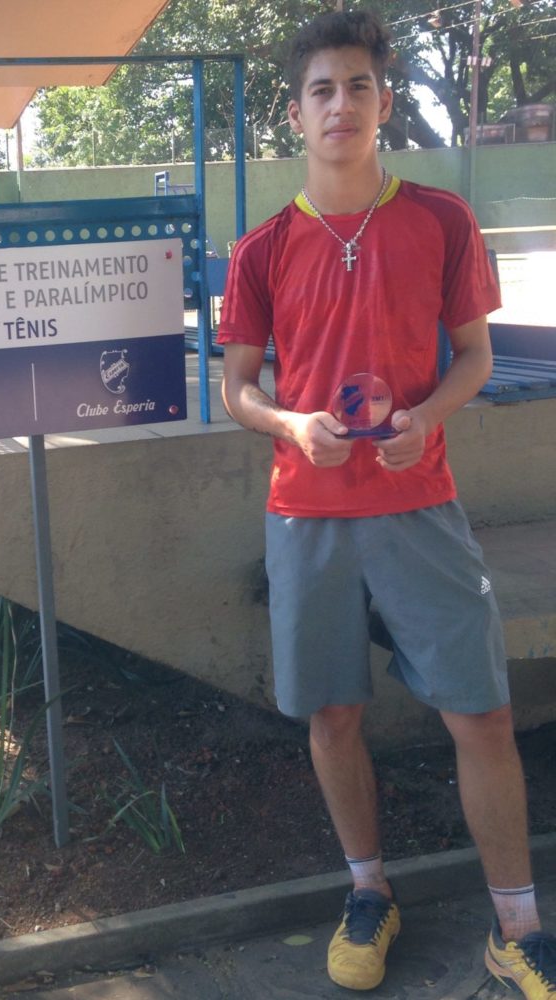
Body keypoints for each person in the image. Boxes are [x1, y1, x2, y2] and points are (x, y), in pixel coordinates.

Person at [218, 10, 555, 997]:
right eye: (321, 90)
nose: (341, 105)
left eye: (358, 86)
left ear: (383, 102)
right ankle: (368, 891)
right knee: (332, 715)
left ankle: (518, 927)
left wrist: (426, 416)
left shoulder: (441, 220)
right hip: (307, 512)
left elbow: (475, 357)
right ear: (296, 113)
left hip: (419, 500)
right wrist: (291, 425)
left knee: (481, 713)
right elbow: (238, 387)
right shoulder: (262, 248)